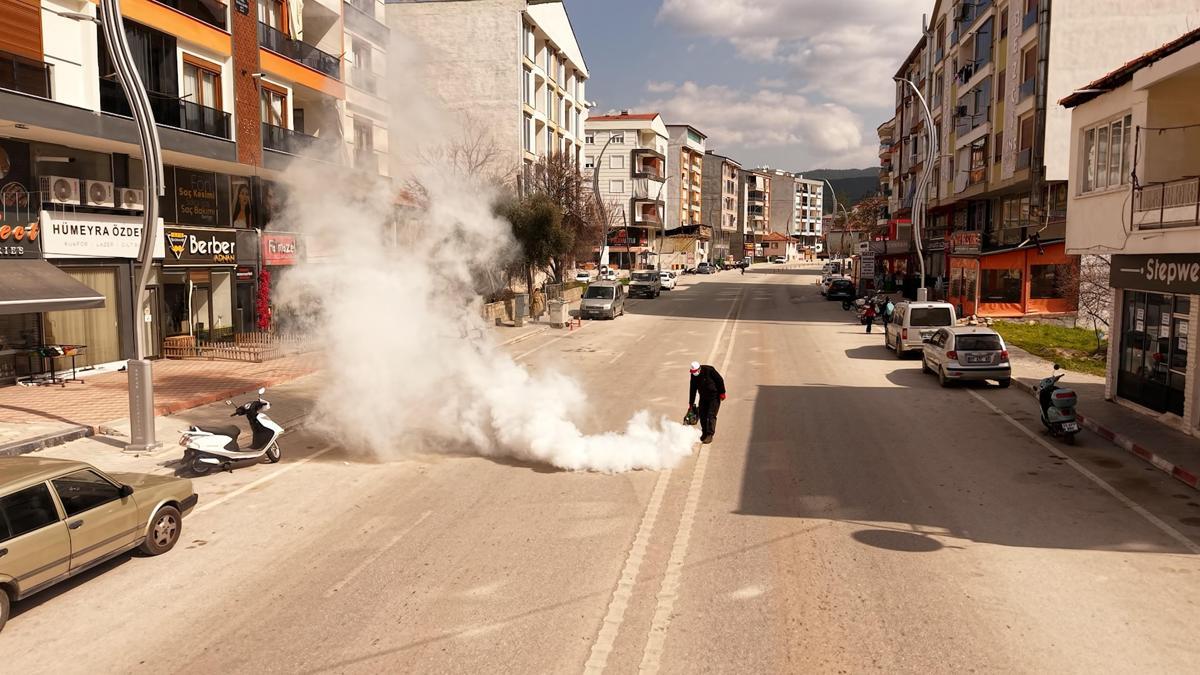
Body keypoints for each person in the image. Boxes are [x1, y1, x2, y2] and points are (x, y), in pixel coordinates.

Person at [688, 361, 726, 444]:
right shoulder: (693, 376)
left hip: (714, 396)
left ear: (699, 369)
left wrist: (722, 392)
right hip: (703, 397)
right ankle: (704, 432)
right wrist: (690, 404)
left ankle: (709, 435)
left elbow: (719, 380)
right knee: (702, 414)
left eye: (695, 372)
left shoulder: (709, 370)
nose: (694, 373)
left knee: (711, 415)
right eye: (692, 372)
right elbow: (692, 389)